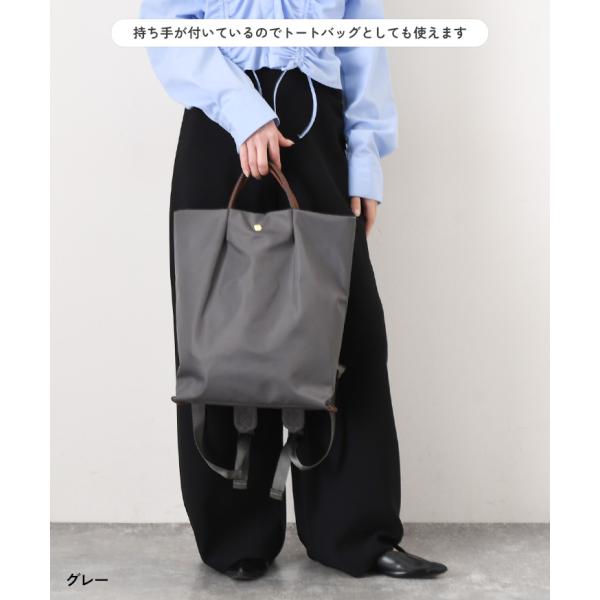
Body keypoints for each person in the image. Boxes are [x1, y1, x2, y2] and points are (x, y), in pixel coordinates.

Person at [140, 0, 448, 581]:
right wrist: (241, 111)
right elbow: (165, 28)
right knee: (224, 331)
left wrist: (365, 159)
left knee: (349, 334)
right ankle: (236, 535)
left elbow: (361, 39)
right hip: (220, 125)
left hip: (317, 129)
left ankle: (354, 534)